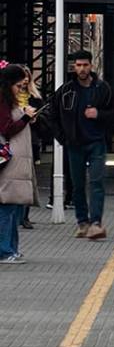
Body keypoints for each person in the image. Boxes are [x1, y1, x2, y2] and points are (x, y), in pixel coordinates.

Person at [48, 50, 114, 240]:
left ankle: (96, 223)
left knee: (97, 182)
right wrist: (63, 139)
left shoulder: (103, 89)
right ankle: (82, 222)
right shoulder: (65, 90)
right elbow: (52, 116)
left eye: (85, 65)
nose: (82, 69)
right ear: (74, 67)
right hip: (75, 143)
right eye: (78, 65)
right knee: (77, 185)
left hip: (96, 142)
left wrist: (99, 115)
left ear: (91, 66)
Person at [0, 63, 40, 263]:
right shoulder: (2, 102)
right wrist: (25, 118)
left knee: (12, 208)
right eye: (18, 86)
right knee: (7, 208)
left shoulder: (9, 101)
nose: (20, 90)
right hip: (9, 162)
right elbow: (7, 128)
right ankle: (6, 250)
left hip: (15, 163)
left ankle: (11, 249)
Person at [17, 66, 44, 229]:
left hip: (30, 140)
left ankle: (24, 215)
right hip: (12, 140)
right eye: (22, 76)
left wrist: (35, 119)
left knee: (27, 178)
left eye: (28, 76)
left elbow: (44, 122)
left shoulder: (35, 97)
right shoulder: (7, 98)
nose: (25, 79)